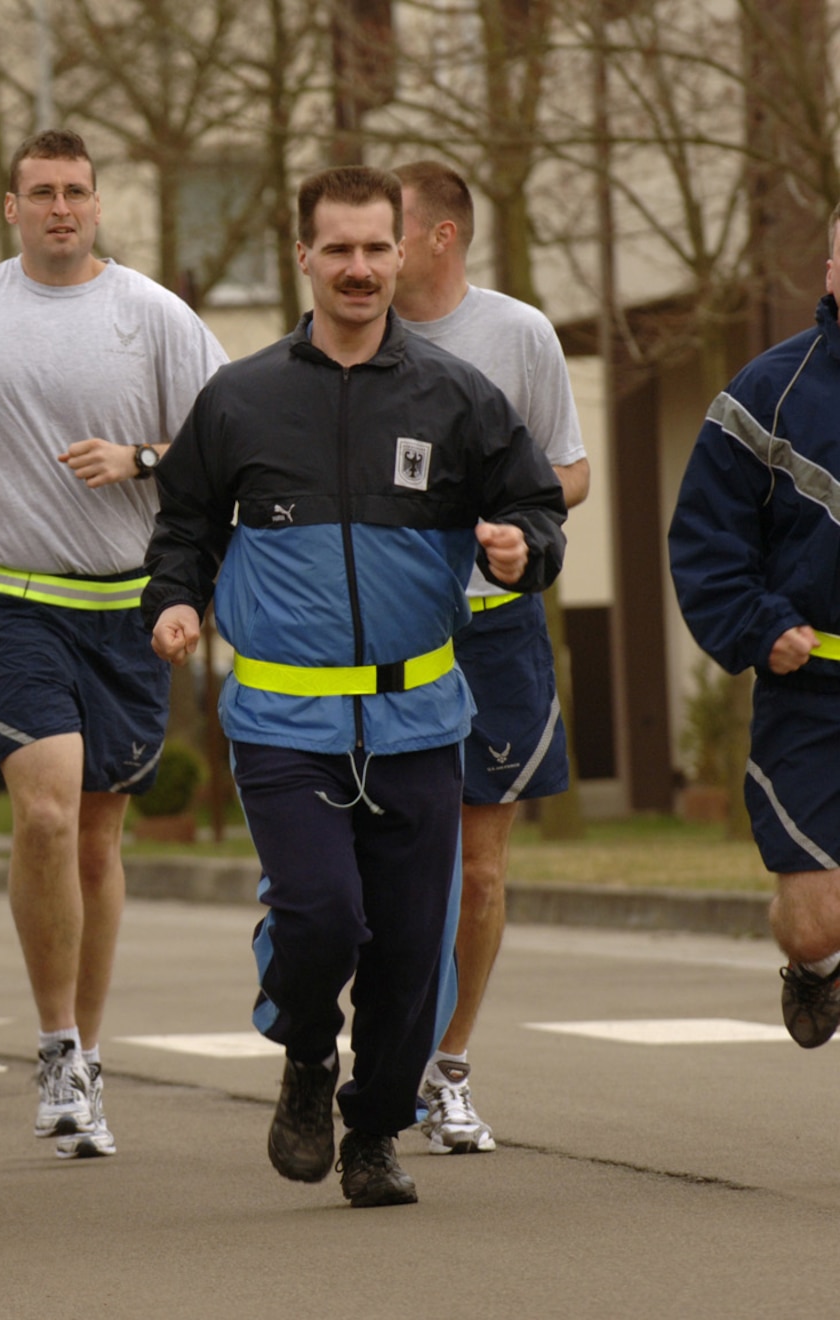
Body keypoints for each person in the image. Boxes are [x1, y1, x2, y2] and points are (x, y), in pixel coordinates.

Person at [142, 166, 566, 1208]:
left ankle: (371, 1131)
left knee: (409, 952)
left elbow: (536, 507)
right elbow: (183, 527)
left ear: (403, 249)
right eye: (337, 249)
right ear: (302, 258)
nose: (359, 269)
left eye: (376, 248)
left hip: (420, 714)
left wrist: (523, 551)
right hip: (283, 716)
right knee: (322, 917)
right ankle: (301, 1057)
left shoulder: (456, 396)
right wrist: (173, 601)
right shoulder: (239, 398)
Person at [0, 128, 226, 1158]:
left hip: (126, 607)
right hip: (10, 601)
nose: (59, 207)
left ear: (96, 206)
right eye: (40, 193)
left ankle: (85, 1058)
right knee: (48, 814)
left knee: (98, 837)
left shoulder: (152, 316)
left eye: (74, 192)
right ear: (9, 208)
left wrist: (140, 455)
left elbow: (225, 441)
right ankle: (52, 1041)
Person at [388, 161, 592, 1155]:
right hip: (386, 629)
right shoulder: (355, 340)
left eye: (391, 232)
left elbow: (570, 470)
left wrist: (508, 519)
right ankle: (374, 1041)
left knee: (476, 866)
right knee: (379, 859)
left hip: (494, 628)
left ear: (438, 238)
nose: (370, 255)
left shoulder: (517, 335)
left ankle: (446, 1067)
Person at [669, 200, 840, 1052]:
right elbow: (706, 544)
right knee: (815, 923)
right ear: (833, 273)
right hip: (811, 691)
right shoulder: (768, 395)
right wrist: (756, 626)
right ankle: (813, 965)